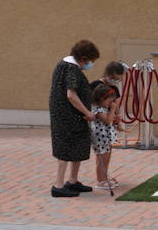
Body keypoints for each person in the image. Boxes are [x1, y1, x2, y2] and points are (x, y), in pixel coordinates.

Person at [48, 39, 99, 198]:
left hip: (74, 117)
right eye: (90, 61)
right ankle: (58, 185)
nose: (90, 64)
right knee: (65, 149)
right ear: (83, 58)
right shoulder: (70, 69)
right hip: (67, 117)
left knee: (78, 146)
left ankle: (73, 181)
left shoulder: (65, 65)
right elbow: (71, 95)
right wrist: (87, 112)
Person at [88, 83, 124, 190]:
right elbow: (107, 121)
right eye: (109, 102)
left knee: (106, 158)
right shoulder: (97, 110)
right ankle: (100, 181)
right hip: (100, 138)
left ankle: (104, 177)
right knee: (101, 159)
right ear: (101, 99)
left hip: (106, 137)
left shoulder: (103, 108)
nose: (110, 104)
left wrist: (116, 120)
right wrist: (112, 110)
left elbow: (110, 120)